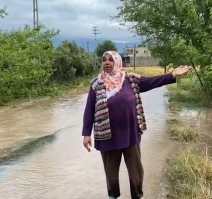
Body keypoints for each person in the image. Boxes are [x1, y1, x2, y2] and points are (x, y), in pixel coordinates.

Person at [82, 50, 192, 199]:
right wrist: (86, 134)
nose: (107, 63)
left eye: (111, 60)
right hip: (107, 137)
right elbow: (89, 109)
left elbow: (153, 81)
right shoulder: (96, 84)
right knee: (111, 174)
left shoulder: (130, 79)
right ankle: (113, 196)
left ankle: (137, 196)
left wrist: (173, 74)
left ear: (118, 62)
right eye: (104, 60)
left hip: (130, 134)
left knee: (136, 173)